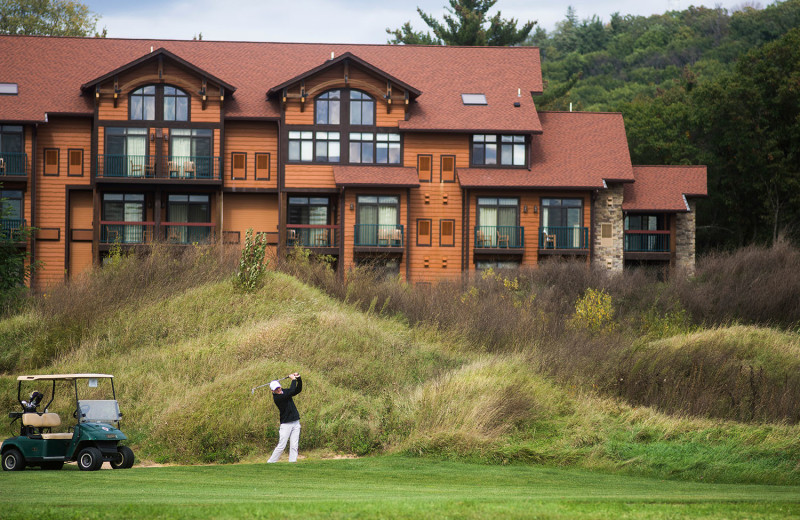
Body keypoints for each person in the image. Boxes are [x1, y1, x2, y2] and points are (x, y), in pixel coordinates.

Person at [267, 372, 302, 463]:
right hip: (286, 424)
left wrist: (299, 379)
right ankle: (270, 462)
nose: (278, 390)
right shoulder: (277, 398)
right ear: (272, 391)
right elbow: (291, 391)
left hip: (295, 422)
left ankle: (292, 462)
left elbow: (297, 390)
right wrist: (293, 380)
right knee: (282, 445)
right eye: (276, 389)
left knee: (294, 445)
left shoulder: (285, 391)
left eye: (278, 387)